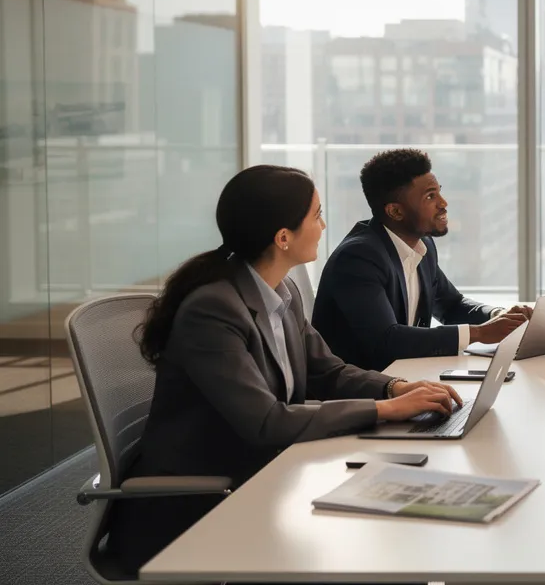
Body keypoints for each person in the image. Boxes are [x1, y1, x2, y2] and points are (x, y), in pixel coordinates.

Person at [107, 165, 462, 574]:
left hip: (266, 477)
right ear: (283, 238)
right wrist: (384, 411)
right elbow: (266, 421)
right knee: (374, 545)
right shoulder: (213, 310)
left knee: (402, 524)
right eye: (316, 215)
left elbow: (325, 371)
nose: (324, 225)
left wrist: (394, 388)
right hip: (200, 506)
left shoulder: (282, 288)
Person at [312, 149, 529, 372]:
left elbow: (451, 305)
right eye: (430, 196)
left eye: (439, 192)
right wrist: (480, 333)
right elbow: (386, 340)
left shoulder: (422, 245)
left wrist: (499, 316)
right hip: (360, 395)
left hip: (404, 379)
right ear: (395, 211)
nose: (443, 203)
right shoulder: (358, 258)